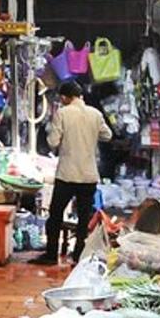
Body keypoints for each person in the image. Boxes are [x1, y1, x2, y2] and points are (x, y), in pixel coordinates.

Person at [34, 82, 112, 265]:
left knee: (55, 215)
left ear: (64, 97)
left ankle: (51, 254)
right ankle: (78, 254)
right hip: (88, 175)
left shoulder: (62, 113)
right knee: (84, 217)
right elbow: (107, 135)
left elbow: (53, 141)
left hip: (67, 174)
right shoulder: (95, 114)